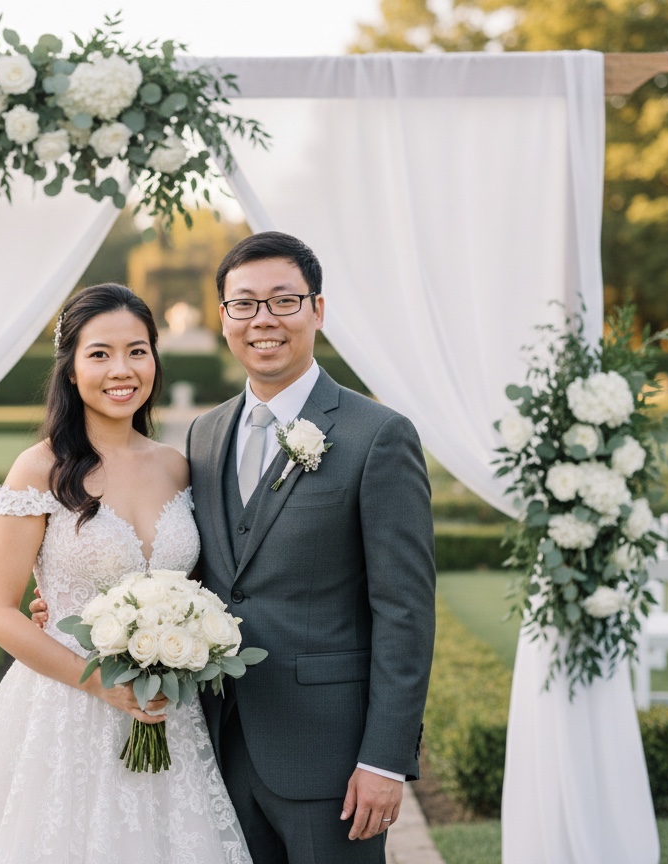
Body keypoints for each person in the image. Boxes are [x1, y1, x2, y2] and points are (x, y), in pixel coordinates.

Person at [34, 233, 437, 863]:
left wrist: (384, 758)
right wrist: (71, 604)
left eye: (283, 301)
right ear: (223, 317)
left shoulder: (377, 436)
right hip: (211, 746)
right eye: (244, 304)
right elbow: (184, 569)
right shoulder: (205, 435)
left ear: (318, 311)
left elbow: (405, 609)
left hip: (329, 758)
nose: (263, 321)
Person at [0, 283, 251, 863]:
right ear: (71, 368)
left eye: (138, 350)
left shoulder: (178, 467)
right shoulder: (39, 470)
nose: (122, 369)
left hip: (167, 713)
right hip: (64, 712)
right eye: (100, 353)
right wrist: (104, 684)